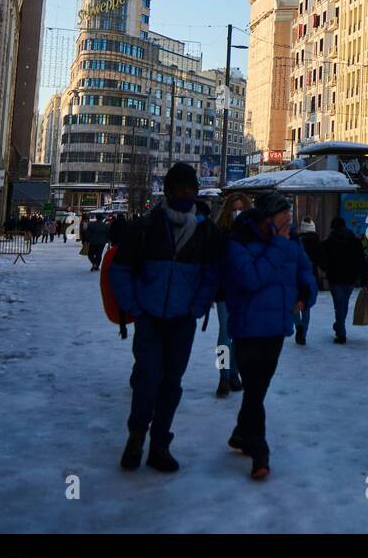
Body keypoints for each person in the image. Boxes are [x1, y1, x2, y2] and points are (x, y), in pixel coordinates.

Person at [108, 163, 223, 473]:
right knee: (146, 379)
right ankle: (136, 438)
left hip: (182, 320)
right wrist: (136, 305)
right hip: (150, 318)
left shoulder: (205, 231)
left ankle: (160, 444)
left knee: (171, 383)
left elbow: (212, 275)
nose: (186, 195)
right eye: (180, 189)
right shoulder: (146, 227)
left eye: (191, 190)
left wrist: (197, 307)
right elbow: (119, 271)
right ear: (168, 191)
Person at [223, 192, 316, 479]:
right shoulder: (240, 242)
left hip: (277, 326)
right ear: (267, 217)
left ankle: (241, 432)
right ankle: (259, 451)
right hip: (248, 327)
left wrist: (305, 295)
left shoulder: (292, 240)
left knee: (257, 389)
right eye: (283, 214)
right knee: (255, 388)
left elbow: (305, 272)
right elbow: (251, 279)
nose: (289, 219)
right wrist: (278, 245)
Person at [212, 192, 250, 397]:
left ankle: (234, 374)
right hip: (225, 289)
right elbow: (213, 262)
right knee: (226, 334)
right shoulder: (221, 232)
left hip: (244, 290)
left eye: (241, 208)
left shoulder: (253, 232)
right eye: (234, 208)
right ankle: (224, 376)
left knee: (238, 336)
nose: (237, 212)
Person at [320, 217, 366, 344]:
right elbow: (361, 260)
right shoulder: (355, 242)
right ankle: (339, 326)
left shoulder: (329, 242)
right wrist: (363, 278)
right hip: (351, 278)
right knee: (344, 304)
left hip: (335, 278)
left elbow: (323, 261)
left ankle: (341, 332)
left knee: (339, 305)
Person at [294, 219, 325, 346]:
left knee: (295, 304)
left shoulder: (296, 241)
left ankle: (298, 325)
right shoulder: (317, 242)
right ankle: (303, 334)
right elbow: (322, 261)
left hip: (296, 277)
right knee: (306, 306)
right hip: (311, 277)